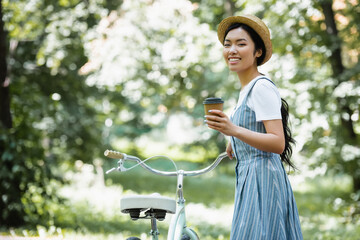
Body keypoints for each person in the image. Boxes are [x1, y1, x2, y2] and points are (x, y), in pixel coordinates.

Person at [205, 15, 303, 239]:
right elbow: (257, 130)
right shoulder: (247, 89)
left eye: (241, 44)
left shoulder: (261, 87)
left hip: (264, 179)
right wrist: (236, 142)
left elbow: (278, 143)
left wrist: (234, 131)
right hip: (251, 176)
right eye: (227, 44)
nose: (232, 50)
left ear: (257, 51)